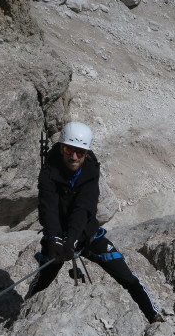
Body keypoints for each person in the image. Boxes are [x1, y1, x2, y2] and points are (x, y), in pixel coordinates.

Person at [25, 121, 164, 324]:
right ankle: (25, 308)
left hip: (87, 233)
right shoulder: (48, 171)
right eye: (69, 150)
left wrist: (71, 240)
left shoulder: (90, 169)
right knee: (44, 277)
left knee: (127, 277)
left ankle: (153, 315)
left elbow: (84, 208)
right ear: (62, 147)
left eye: (80, 152)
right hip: (57, 234)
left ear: (86, 153)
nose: (74, 156)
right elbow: (49, 208)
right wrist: (55, 239)